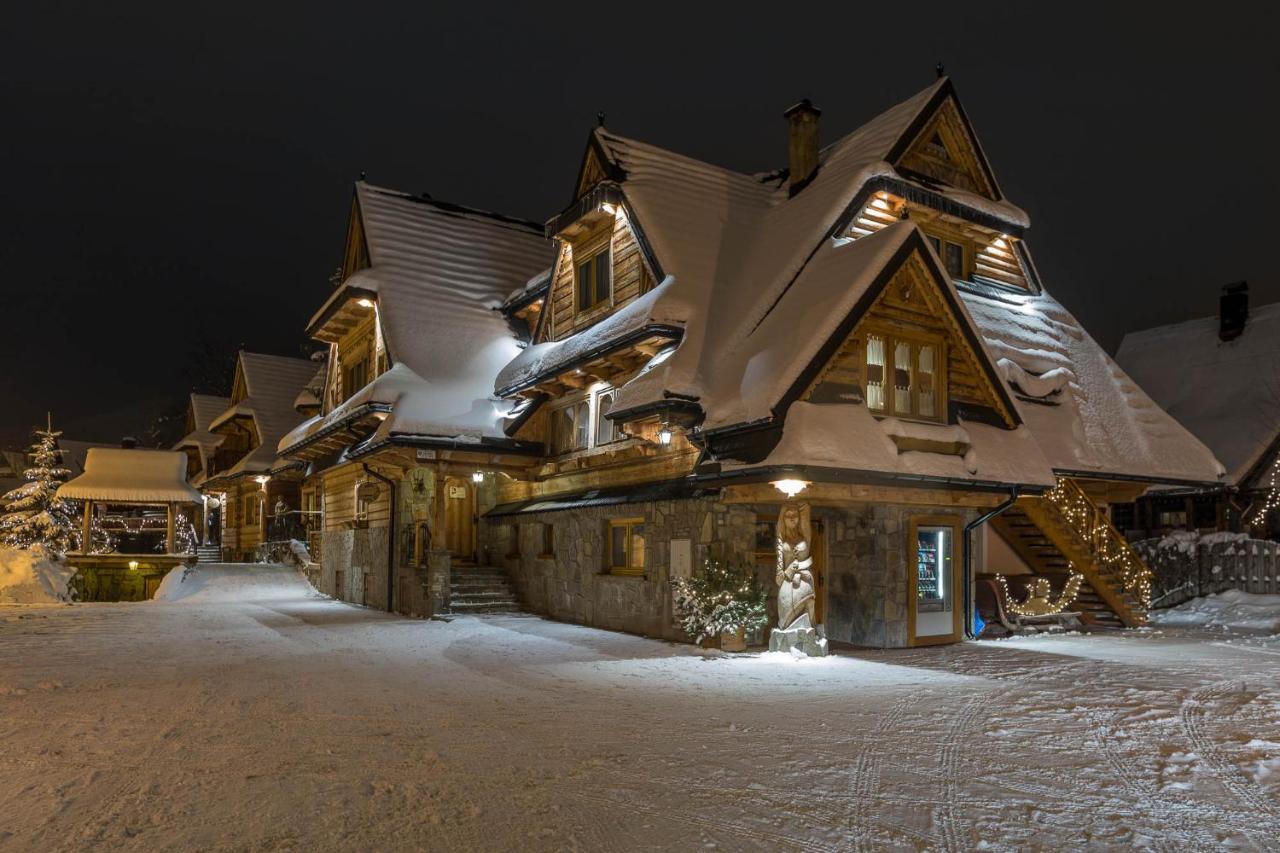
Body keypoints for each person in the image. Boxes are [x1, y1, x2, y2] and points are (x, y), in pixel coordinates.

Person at [775, 503, 816, 630]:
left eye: (795, 515)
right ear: (783, 518)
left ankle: (809, 636)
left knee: (809, 612)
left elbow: (805, 512)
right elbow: (778, 579)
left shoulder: (805, 537)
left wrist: (803, 507)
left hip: (805, 580)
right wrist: (788, 570)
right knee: (787, 623)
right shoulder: (781, 542)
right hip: (788, 584)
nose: (792, 518)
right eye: (788, 515)